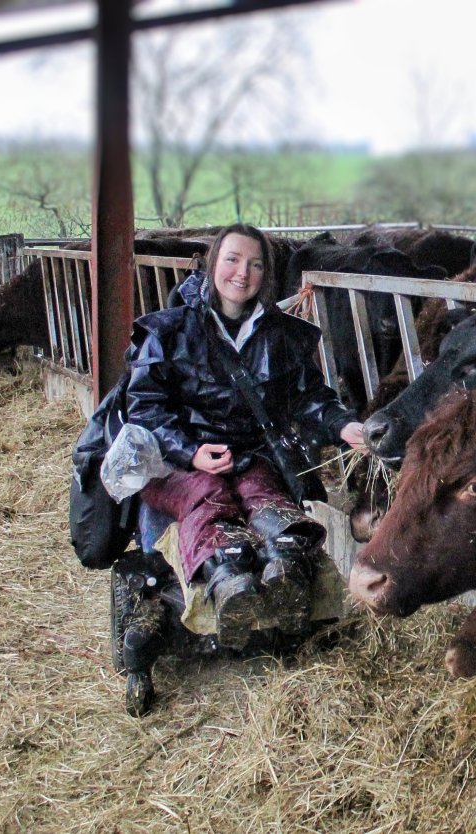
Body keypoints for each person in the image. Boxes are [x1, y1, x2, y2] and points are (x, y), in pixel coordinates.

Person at [125, 222, 364, 648]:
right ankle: (228, 579)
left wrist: (343, 424)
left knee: (264, 495)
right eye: (232, 259)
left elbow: (309, 397)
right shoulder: (169, 331)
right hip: (178, 465)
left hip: (249, 456)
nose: (242, 273)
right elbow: (144, 406)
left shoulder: (282, 335)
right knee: (207, 495)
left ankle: (286, 568)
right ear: (213, 262)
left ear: (266, 274)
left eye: (255, 264)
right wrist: (191, 451)